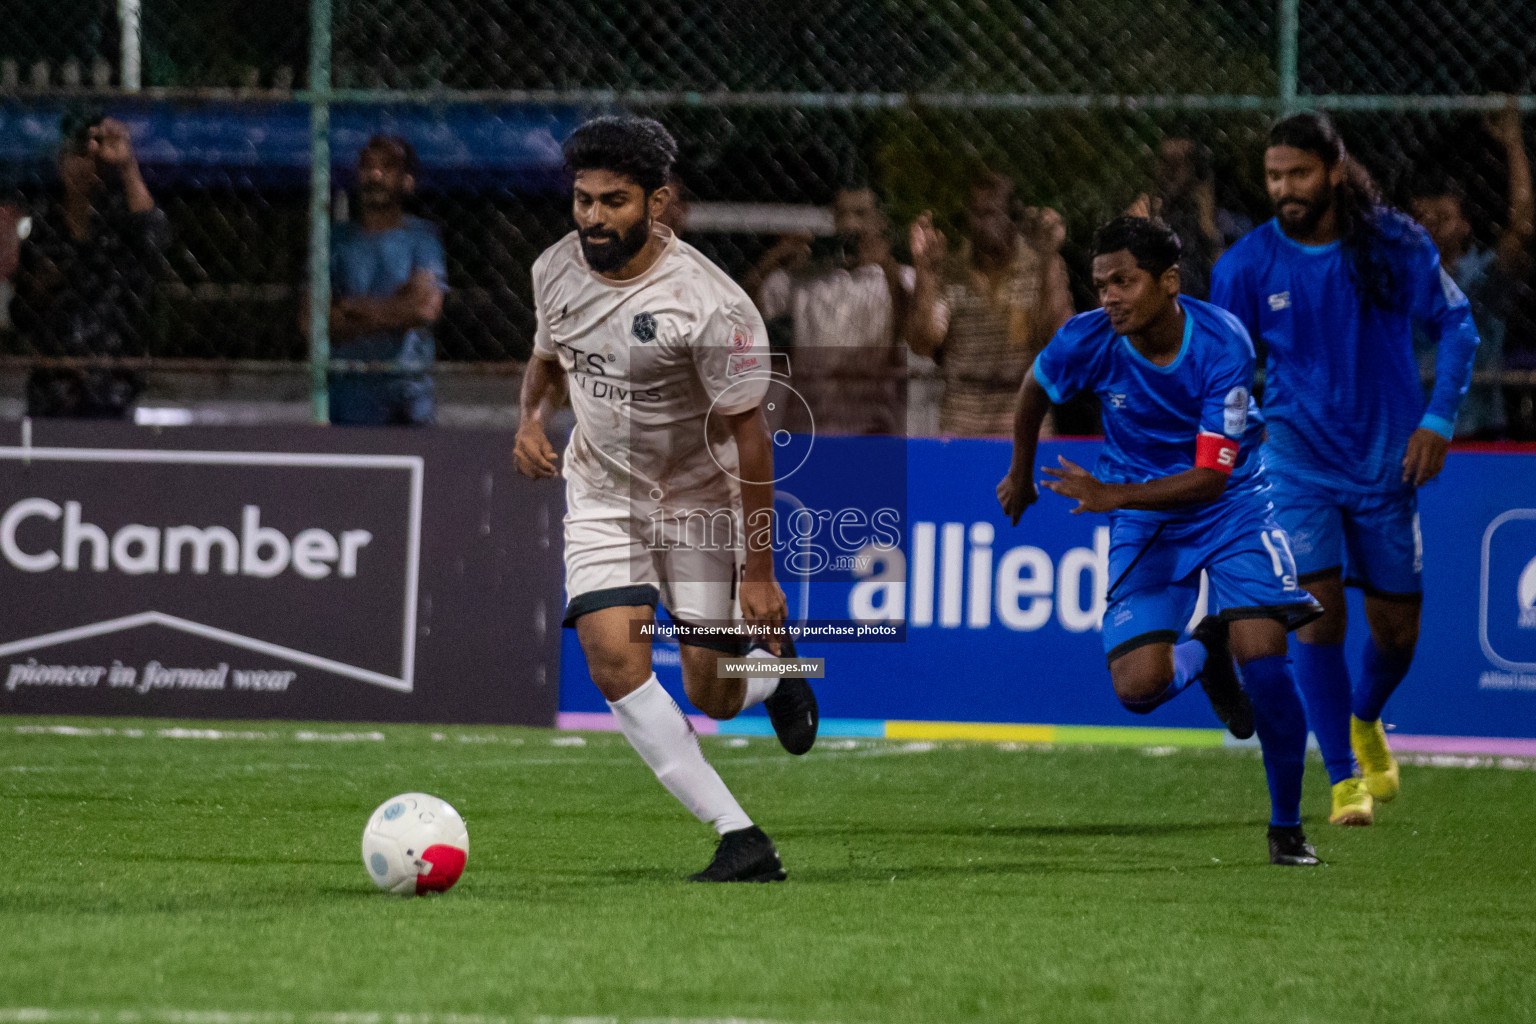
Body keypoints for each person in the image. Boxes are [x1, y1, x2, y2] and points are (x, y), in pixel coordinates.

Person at [512, 116, 819, 883]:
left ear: (659, 202)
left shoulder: (712, 305)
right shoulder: (554, 269)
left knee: (712, 693)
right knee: (612, 657)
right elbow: (547, 357)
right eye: (582, 199)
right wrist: (527, 419)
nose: (591, 218)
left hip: (695, 500)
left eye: (613, 201)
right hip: (603, 496)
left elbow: (752, 440)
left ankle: (777, 672)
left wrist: (759, 573)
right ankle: (739, 837)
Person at [997, 216, 1325, 867]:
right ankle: (1205, 652)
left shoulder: (1221, 343)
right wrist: (1019, 472)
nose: (1110, 296)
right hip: (1149, 518)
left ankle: (1286, 830)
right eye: (1100, 284)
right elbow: (1037, 387)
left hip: (1232, 507)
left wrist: (1111, 496)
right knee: (1138, 688)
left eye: (1124, 281)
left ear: (1168, 282)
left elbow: (1210, 477)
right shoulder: (1087, 339)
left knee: (1266, 664)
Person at [1211, 113, 1481, 826]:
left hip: (1388, 462)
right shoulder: (1244, 266)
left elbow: (1458, 325)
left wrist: (1438, 419)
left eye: (1298, 174)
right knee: (1318, 616)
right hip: (1295, 461)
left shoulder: (1391, 243)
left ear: (1332, 171)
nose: (1285, 189)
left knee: (1396, 635)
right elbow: (1217, 369)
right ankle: (1341, 779)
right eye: (1273, 176)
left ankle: (1366, 718)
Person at [12, 111, 168, 418]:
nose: (86, 165)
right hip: (54, 388)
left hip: (114, 385)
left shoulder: (120, 218)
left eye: (93, 157)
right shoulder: (44, 225)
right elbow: (20, 312)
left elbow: (155, 238)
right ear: (61, 162)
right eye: (78, 155)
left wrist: (127, 165)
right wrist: (38, 290)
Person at [907, 172, 1075, 437]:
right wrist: (925, 274)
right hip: (963, 417)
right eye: (978, 213)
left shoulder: (1037, 266)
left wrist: (1049, 258)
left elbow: (1061, 339)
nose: (984, 223)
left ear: (1013, 217)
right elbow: (924, 343)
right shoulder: (951, 270)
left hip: (1024, 413)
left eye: (994, 213)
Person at [1408, 99, 1533, 440]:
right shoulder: (1397, 278)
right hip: (1411, 428)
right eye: (1422, 218)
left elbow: (1522, 230)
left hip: (1476, 428)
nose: (1430, 227)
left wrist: (1512, 142)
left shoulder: (1479, 275)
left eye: (1443, 218)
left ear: (1465, 226)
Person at [746, 186, 913, 435]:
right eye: (841, 214)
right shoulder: (806, 279)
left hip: (873, 425)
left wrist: (884, 262)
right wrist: (775, 259)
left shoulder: (900, 278)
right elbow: (743, 310)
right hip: (810, 425)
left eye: (860, 214)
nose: (850, 225)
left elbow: (911, 325)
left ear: (880, 221)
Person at [324, 135, 446, 426]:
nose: (375, 175)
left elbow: (424, 309)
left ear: (407, 181)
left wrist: (351, 307)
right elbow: (314, 320)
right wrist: (397, 310)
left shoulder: (423, 239)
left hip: (407, 394)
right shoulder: (334, 242)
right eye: (367, 166)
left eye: (387, 167)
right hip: (349, 397)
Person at [1128, 136, 1253, 300]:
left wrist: (1208, 230)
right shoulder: (1146, 220)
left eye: (1179, 162)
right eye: (1165, 162)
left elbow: (1237, 288)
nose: (1169, 172)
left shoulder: (1232, 225)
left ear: (1197, 173)